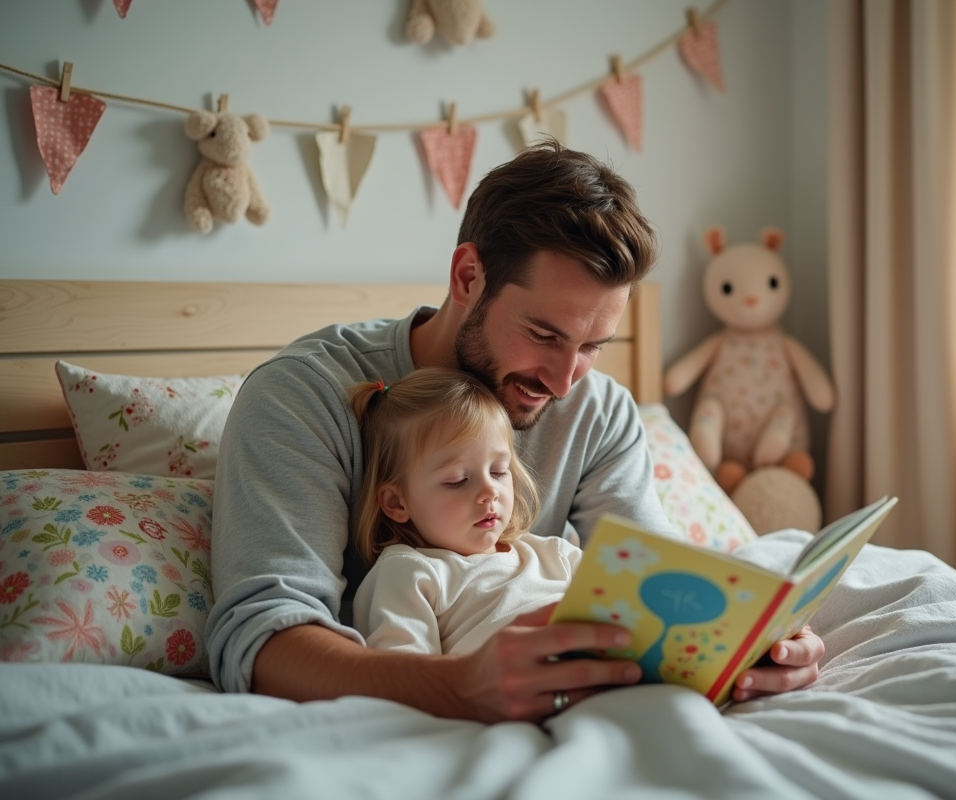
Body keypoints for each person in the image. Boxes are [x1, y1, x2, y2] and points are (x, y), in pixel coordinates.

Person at [205, 140, 825, 723]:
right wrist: (458, 686)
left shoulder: (600, 410)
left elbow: (653, 588)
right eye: (546, 335)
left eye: (593, 346)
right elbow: (263, 641)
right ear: (467, 277)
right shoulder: (306, 394)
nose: (563, 381)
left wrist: (752, 647)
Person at [349, 368, 581, 660]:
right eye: (457, 480)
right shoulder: (409, 573)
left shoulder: (554, 554)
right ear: (396, 503)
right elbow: (407, 675)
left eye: (499, 472)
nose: (490, 491)